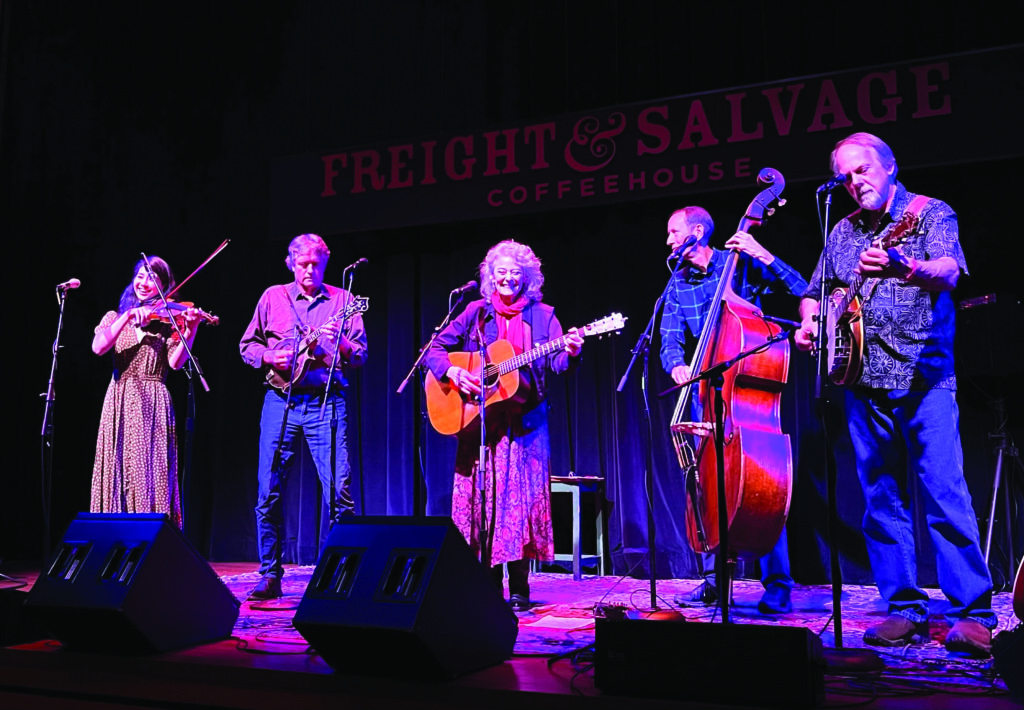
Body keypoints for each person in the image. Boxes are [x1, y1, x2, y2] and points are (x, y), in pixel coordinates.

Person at [794, 132, 996, 656]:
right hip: (862, 381)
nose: (854, 182)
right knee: (881, 500)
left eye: (861, 171)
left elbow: (949, 271)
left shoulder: (929, 213)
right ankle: (904, 607)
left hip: (924, 378)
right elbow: (819, 290)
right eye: (845, 176)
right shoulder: (841, 229)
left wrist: (905, 265)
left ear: (888, 167)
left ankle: (973, 612)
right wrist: (814, 321)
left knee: (945, 495)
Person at [660, 206, 807, 614]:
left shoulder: (737, 263)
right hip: (703, 394)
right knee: (704, 483)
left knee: (762, 484)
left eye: (674, 232)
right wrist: (676, 365)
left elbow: (803, 289)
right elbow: (669, 340)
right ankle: (712, 581)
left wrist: (762, 253)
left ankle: (777, 584)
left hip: (747, 395)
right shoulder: (677, 284)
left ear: (697, 231)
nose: (669, 240)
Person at [424, 240, 584, 611]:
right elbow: (433, 349)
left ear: (527, 277)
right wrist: (451, 370)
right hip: (480, 422)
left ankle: (520, 587)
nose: (508, 278)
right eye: (501, 271)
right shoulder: (475, 313)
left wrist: (571, 352)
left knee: (520, 503)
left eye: (516, 272)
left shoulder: (544, 316)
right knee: (483, 503)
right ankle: (486, 581)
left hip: (527, 423)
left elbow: (558, 364)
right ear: (490, 277)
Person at [240, 233, 367, 600]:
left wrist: (338, 341)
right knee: (269, 490)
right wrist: (269, 357)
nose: (309, 270)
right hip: (280, 401)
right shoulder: (272, 297)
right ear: (291, 263)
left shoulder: (344, 301)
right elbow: (247, 345)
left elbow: (359, 355)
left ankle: (338, 576)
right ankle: (269, 575)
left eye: (316, 264)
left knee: (339, 493)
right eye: (303, 264)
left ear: (325, 264)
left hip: (327, 403)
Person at [91, 257, 201, 528]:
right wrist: (127, 316)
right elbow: (98, 347)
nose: (144, 282)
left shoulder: (167, 323)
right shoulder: (114, 318)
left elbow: (176, 363)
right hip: (119, 397)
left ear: (163, 286)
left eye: (153, 279)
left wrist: (192, 328)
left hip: (153, 399)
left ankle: (152, 540)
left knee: (150, 472)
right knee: (117, 468)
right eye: (141, 276)